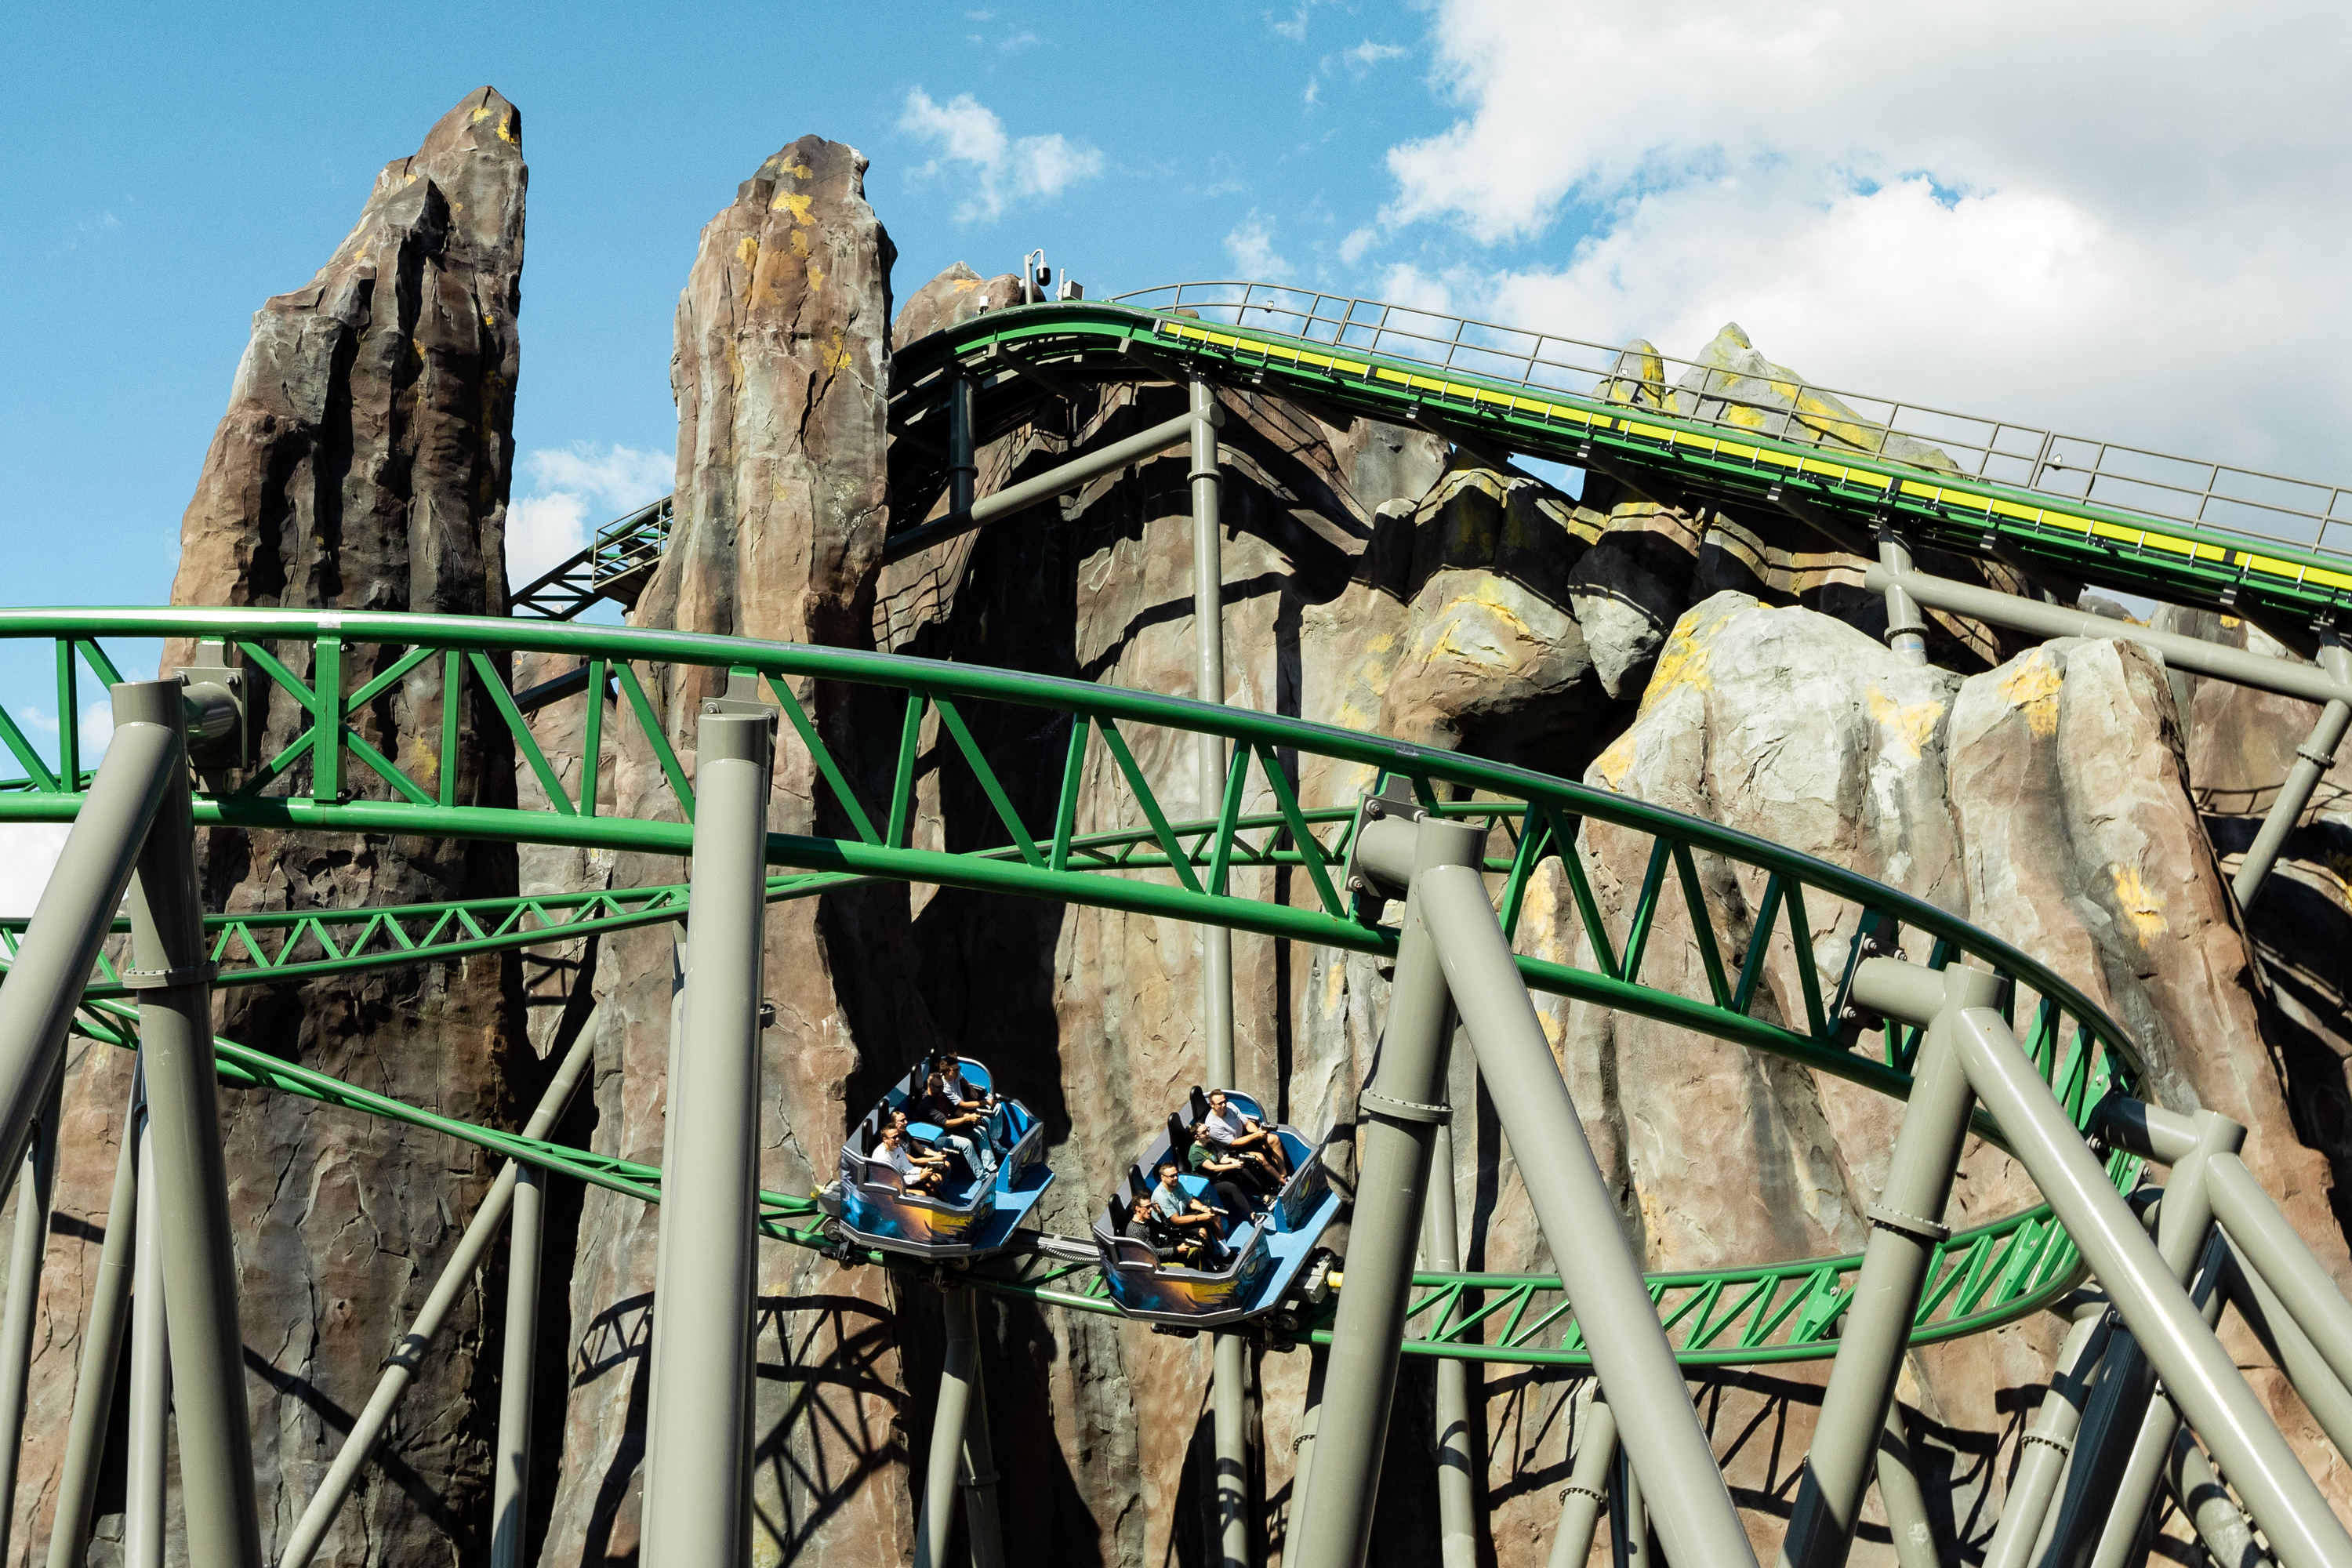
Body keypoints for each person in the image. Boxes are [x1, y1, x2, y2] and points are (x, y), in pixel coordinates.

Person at [1152, 1161, 1229, 1269]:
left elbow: (1191, 1201)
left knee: (1214, 1216)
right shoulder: (1161, 1196)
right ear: (1163, 1178)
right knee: (1202, 1234)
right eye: (1171, 1176)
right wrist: (1199, 1218)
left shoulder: (1177, 1185)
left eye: (1176, 1174)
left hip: (1182, 1216)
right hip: (1171, 1229)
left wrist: (1204, 1209)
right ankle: (1213, 1266)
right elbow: (1176, 1220)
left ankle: (1225, 1252)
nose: (1175, 1178)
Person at [1203, 1090, 1291, 1184]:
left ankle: (1284, 1175)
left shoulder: (1231, 1107)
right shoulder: (1213, 1126)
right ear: (1212, 1105)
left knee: (1274, 1139)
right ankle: (1282, 1182)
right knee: (1260, 1157)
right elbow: (1234, 1144)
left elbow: (1247, 1123)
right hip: (1231, 1151)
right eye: (1220, 1104)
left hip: (1243, 1138)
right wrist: (1254, 1136)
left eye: (1224, 1101)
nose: (1224, 1105)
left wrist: (1258, 1132)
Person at [922, 1069, 996, 1178]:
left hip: (952, 1130)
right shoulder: (927, 1103)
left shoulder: (941, 1095)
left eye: (942, 1086)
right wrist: (966, 1119)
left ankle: (991, 1167)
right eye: (938, 1087)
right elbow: (946, 1123)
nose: (941, 1090)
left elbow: (956, 1110)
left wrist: (969, 1117)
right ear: (930, 1086)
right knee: (967, 1144)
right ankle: (983, 1177)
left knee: (982, 1132)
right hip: (939, 1136)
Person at [1185, 1120, 1268, 1218]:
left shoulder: (1208, 1142)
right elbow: (1214, 1168)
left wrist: (1233, 1161)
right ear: (1196, 1136)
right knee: (1231, 1187)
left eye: (1207, 1130)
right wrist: (1233, 1166)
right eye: (1204, 1133)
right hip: (1209, 1182)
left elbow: (1220, 1159)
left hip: (1219, 1174)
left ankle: (1266, 1197)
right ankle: (1252, 1215)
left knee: (1244, 1171)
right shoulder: (1195, 1153)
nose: (1208, 1133)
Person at [870, 1121, 943, 1193]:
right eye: (894, 1137)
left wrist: (922, 1171)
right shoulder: (881, 1157)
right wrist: (919, 1177)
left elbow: (907, 1167)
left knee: (935, 1179)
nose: (898, 1139)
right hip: (890, 1188)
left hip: (900, 1179)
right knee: (922, 1194)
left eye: (898, 1136)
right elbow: (894, 1182)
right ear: (885, 1140)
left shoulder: (897, 1148)